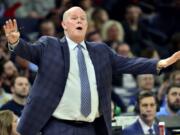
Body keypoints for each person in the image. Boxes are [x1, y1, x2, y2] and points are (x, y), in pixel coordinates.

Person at [3, 6, 180, 135]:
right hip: (58, 125)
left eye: (83, 18)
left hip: (91, 127)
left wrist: (159, 63)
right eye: (74, 18)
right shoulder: (50, 45)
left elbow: (129, 63)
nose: (80, 20)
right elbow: (29, 51)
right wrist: (15, 43)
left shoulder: (101, 51)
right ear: (64, 25)